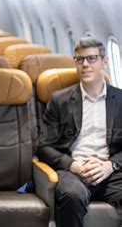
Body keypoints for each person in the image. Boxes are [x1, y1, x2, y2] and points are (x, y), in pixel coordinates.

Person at [37, 37, 122, 227]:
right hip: (74, 172)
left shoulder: (120, 100)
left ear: (104, 62)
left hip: (110, 172)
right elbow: (44, 146)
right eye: (80, 59)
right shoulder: (60, 100)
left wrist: (110, 165)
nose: (85, 64)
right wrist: (73, 164)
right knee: (72, 195)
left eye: (91, 59)